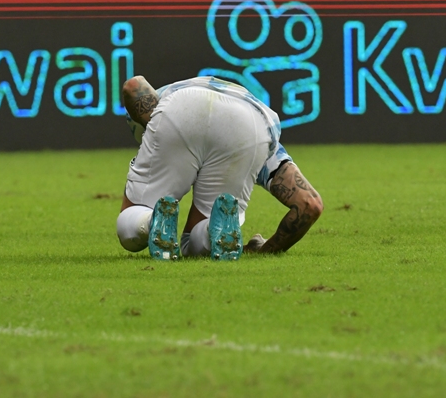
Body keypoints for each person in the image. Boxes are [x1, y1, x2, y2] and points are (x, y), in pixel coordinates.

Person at [116, 75, 323, 260]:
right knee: (194, 245)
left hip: (183, 106)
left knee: (133, 219)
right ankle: (211, 230)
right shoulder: (267, 142)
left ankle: (152, 221)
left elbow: (134, 85)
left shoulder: (164, 100)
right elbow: (310, 205)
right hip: (252, 123)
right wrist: (264, 251)